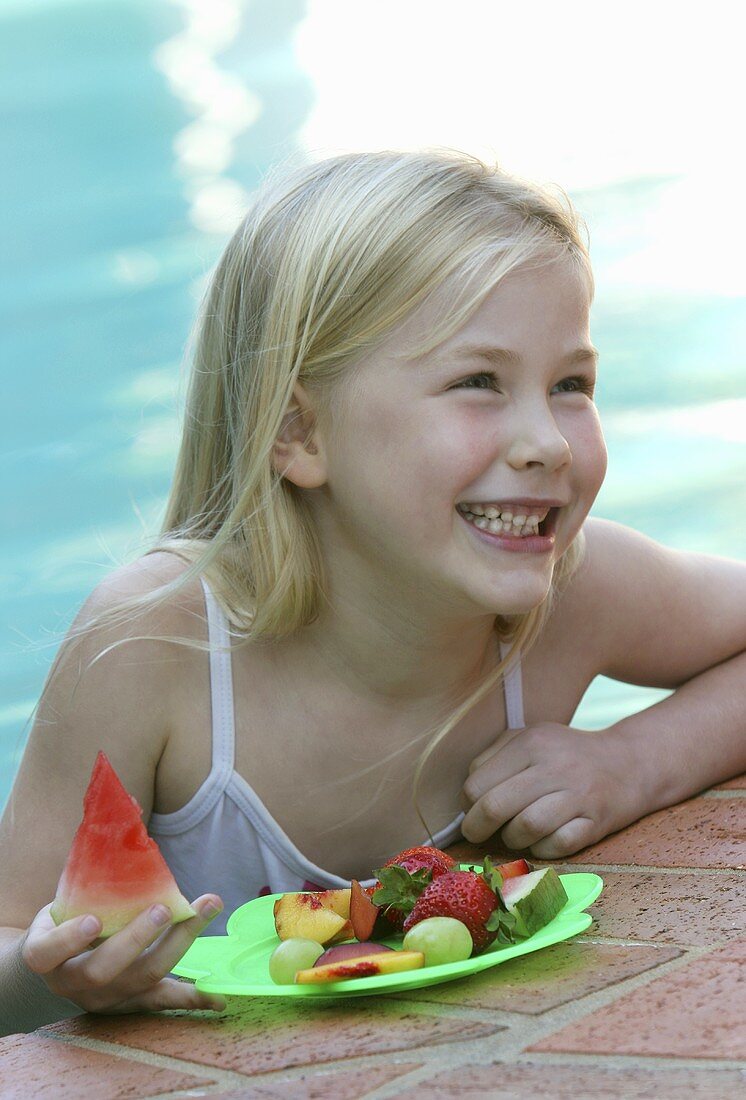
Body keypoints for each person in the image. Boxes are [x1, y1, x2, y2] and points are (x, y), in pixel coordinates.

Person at [1, 148, 744, 1035]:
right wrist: (60, 972)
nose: (547, 441)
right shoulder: (154, 644)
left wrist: (634, 762)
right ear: (298, 431)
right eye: (479, 382)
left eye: (571, 385)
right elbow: (12, 935)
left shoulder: (575, 591)